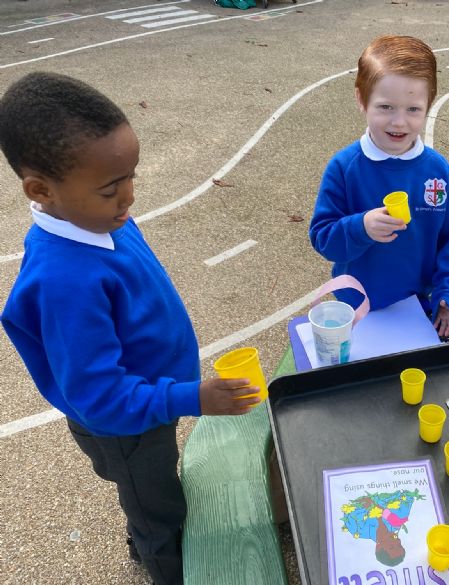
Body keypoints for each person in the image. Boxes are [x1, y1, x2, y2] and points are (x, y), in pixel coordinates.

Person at [0, 72, 261, 585]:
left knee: (147, 492)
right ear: (41, 190)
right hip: (126, 429)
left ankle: (140, 532)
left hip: (147, 404)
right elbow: (101, 399)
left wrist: (176, 393)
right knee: (159, 514)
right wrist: (190, 397)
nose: (129, 197)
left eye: (130, 177)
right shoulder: (65, 281)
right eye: (110, 188)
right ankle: (165, 567)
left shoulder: (99, 218)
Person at [309, 35, 449, 337]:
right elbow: (323, 238)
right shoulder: (344, 168)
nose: (399, 122)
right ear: (361, 100)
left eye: (413, 109)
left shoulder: (438, 173)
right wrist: (361, 227)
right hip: (357, 305)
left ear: (429, 104)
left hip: (419, 306)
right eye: (386, 107)